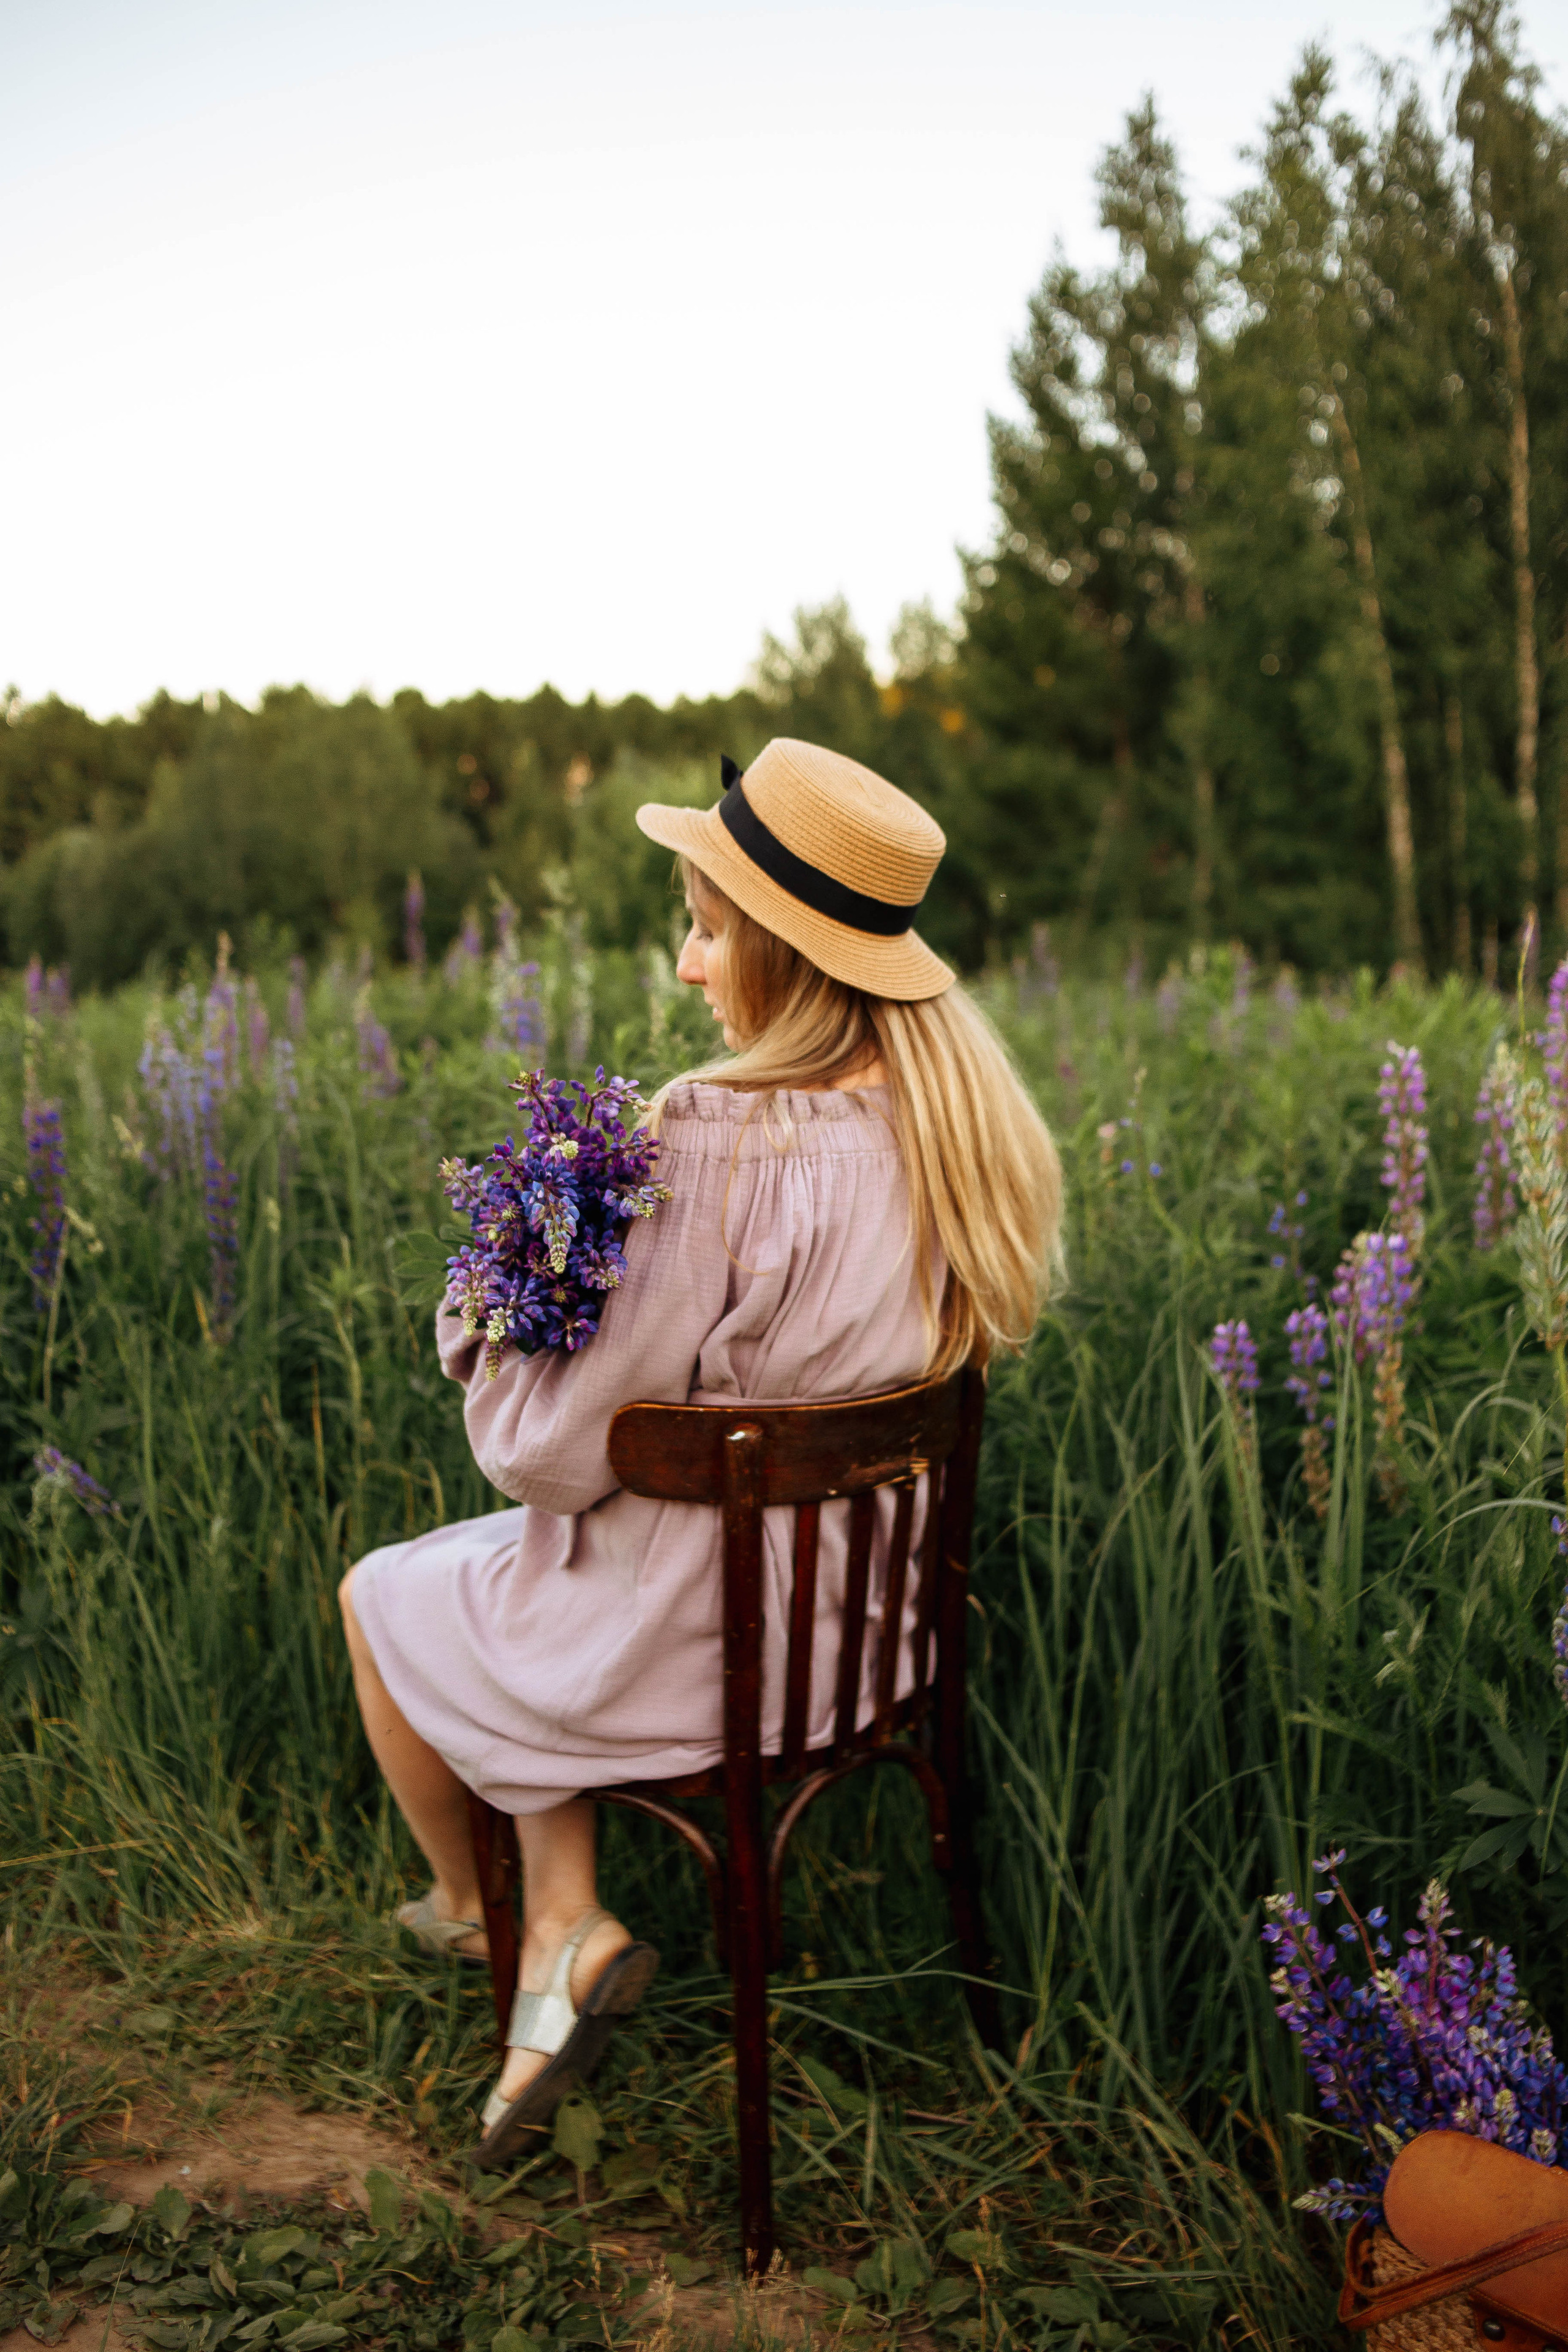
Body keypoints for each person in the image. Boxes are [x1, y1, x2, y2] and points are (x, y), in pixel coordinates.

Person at [339, 737, 1064, 2166]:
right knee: (527, 1574)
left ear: (786, 959)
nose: (686, 963)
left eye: (709, 925)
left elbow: (548, 1457)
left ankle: (483, 1917)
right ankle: (559, 1929)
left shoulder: (708, 1138)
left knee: (388, 1589)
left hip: (691, 1649)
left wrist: (485, 1318)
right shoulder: (956, 1131)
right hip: (861, 1641)